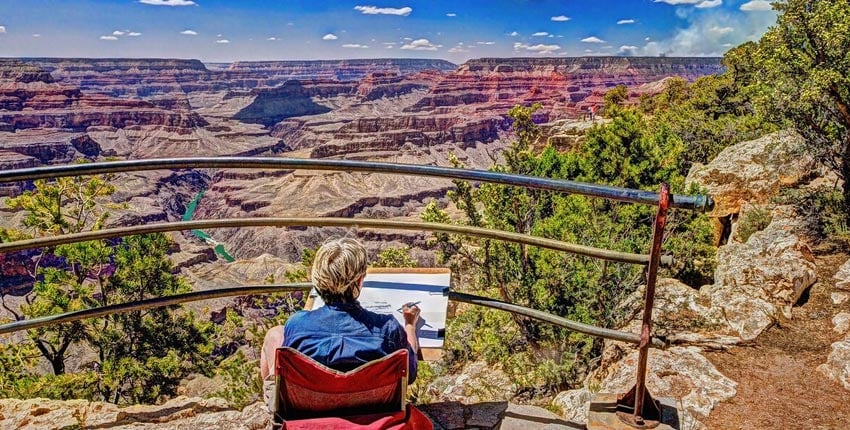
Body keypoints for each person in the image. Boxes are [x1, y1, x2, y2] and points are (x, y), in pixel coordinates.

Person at [260, 238, 420, 384]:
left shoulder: (297, 325)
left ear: (317, 280)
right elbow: (410, 374)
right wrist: (410, 325)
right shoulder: (388, 328)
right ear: (359, 280)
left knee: (275, 334)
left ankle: (275, 399)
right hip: (373, 410)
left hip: (310, 409)